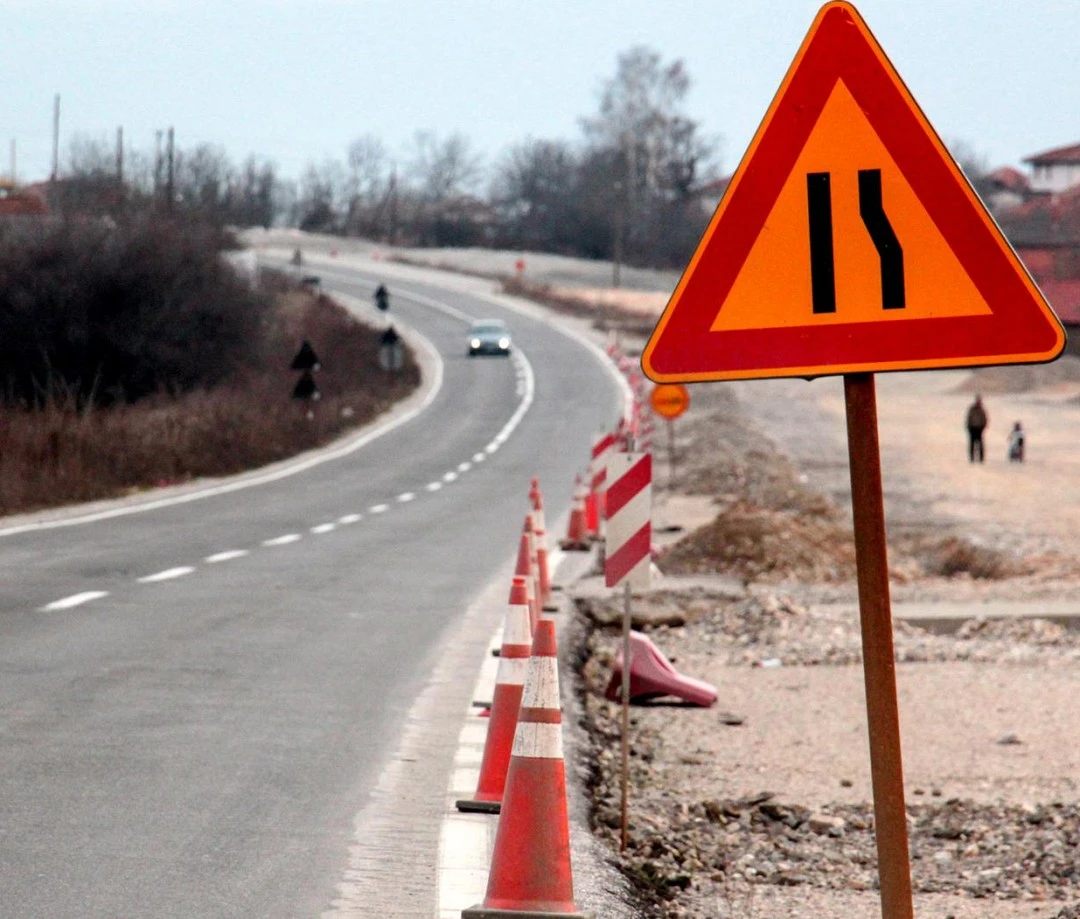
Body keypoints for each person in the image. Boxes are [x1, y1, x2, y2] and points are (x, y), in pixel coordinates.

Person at [965, 395, 988, 463]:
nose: (979, 402)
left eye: (979, 401)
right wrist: (969, 427)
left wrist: (983, 427)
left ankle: (981, 458)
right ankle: (972, 458)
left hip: (979, 429)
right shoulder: (972, 409)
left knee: (980, 444)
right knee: (972, 444)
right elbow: (969, 418)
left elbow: (985, 419)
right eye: (978, 401)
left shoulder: (982, 410)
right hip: (972, 428)